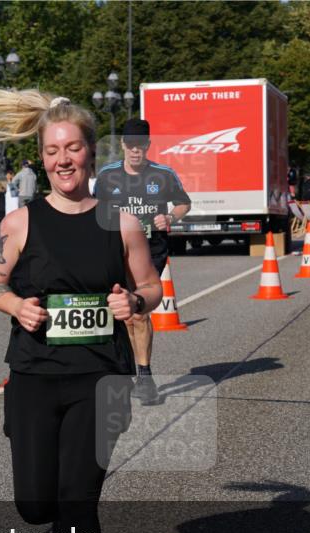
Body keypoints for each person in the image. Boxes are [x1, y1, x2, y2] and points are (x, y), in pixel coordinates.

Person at [0, 88, 163, 533]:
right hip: (34, 376)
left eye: (73, 147)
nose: (64, 159)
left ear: (92, 153)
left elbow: (150, 285)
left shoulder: (122, 223)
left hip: (100, 378)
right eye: (53, 150)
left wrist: (137, 305)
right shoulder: (20, 223)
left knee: (77, 502)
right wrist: (14, 306)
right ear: (42, 158)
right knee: (34, 504)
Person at [94, 118, 191, 406]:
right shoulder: (107, 176)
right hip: (114, 251)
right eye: (131, 146)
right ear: (123, 145)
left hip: (151, 251)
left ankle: (144, 376)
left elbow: (184, 202)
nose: (136, 151)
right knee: (117, 312)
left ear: (148, 146)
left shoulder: (163, 174)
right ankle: (119, 370)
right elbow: (92, 209)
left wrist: (171, 217)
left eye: (141, 146)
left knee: (137, 312)